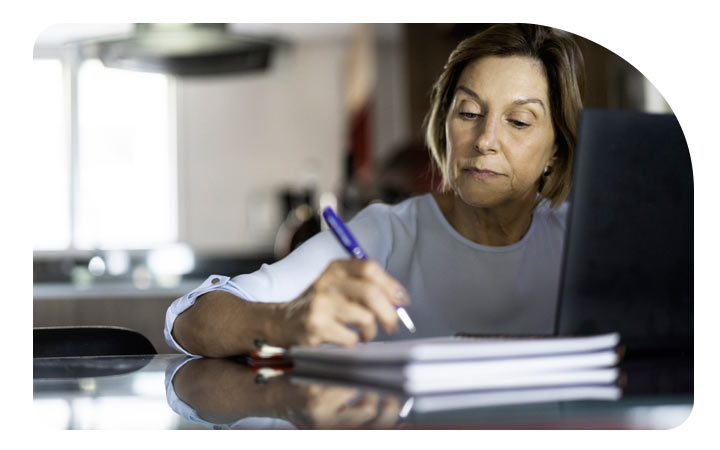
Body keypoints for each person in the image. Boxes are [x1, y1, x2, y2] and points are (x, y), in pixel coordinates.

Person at [164, 23, 586, 358]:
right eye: (469, 112)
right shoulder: (385, 234)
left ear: (556, 147)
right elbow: (187, 318)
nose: (485, 139)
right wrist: (281, 321)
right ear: (444, 125)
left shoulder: (584, 241)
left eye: (519, 121)